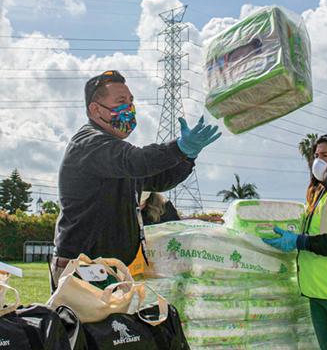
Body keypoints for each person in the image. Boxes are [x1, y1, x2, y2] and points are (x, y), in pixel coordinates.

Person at [50, 70, 221, 290]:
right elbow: (137, 161)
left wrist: (188, 156)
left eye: (131, 102)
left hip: (111, 266)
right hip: (84, 265)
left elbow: (159, 180)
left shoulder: (114, 153)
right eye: (120, 102)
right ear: (95, 109)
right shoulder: (89, 144)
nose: (129, 109)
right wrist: (178, 147)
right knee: (80, 324)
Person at [262, 134, 327, 350]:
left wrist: (300, 242)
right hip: (319, 293)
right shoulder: (323, 194)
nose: (318, 161)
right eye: (316, 155)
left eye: (325, 155)